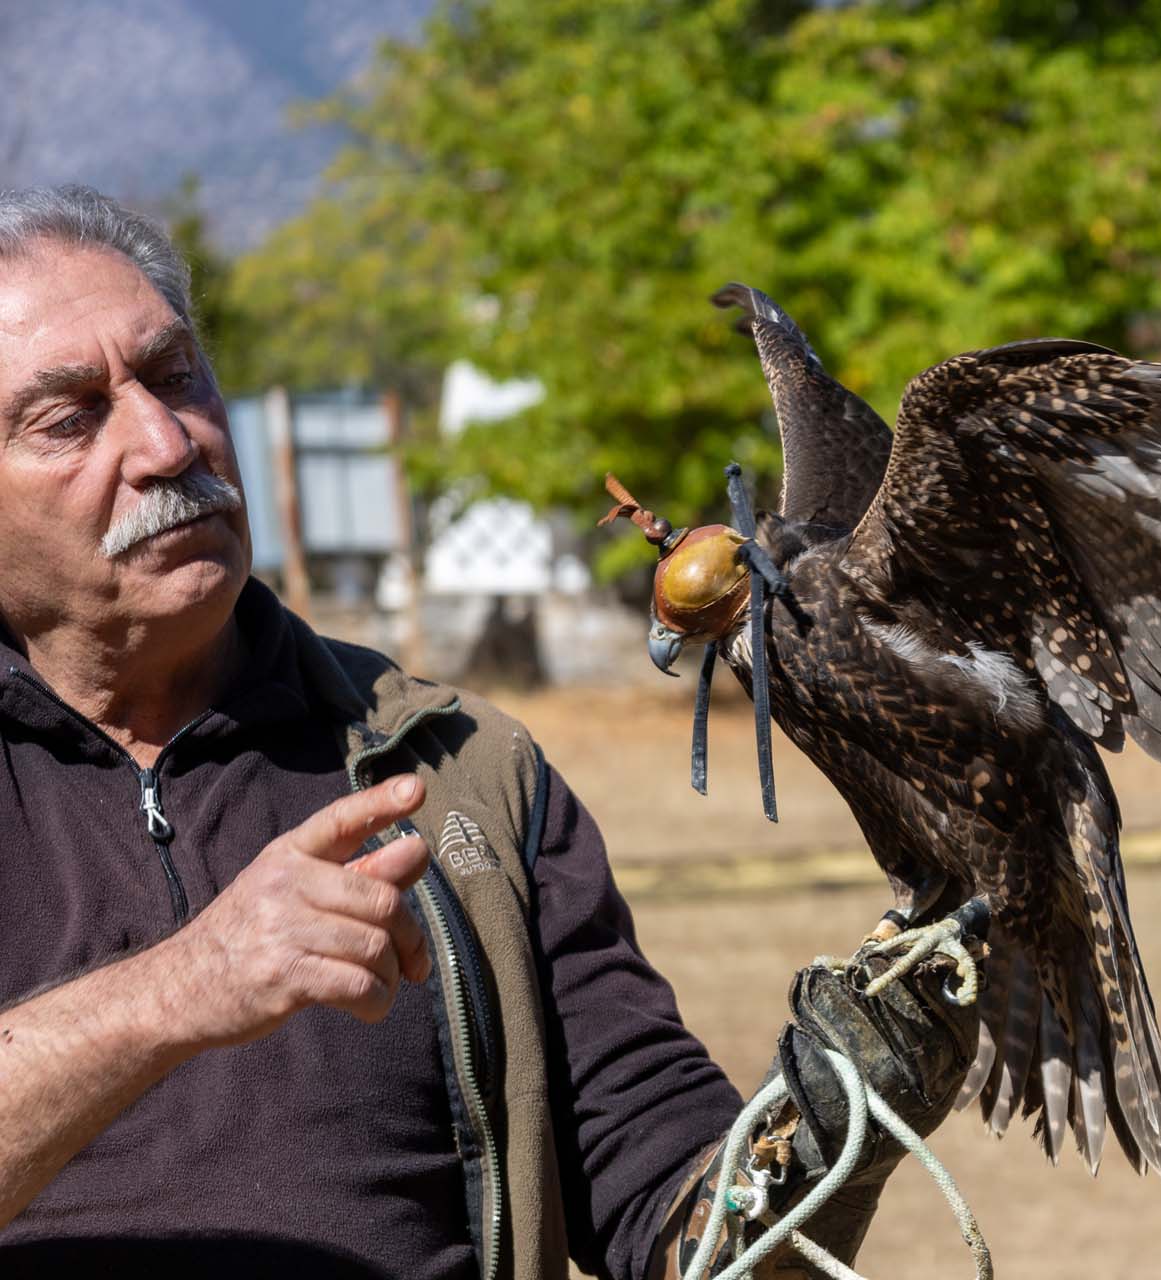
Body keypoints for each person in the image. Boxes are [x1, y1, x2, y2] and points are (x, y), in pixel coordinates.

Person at [0, 185, 980, 1279]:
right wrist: (185, 987)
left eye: (176, 375)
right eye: (68, 416)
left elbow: (674, 1211)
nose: (164, 440)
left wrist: (827, 1133)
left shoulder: (462, 771)